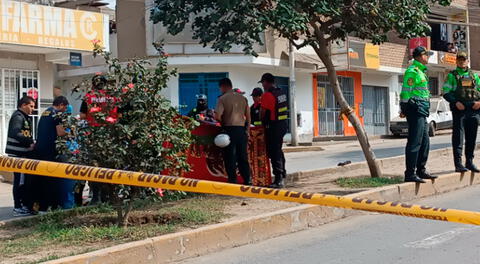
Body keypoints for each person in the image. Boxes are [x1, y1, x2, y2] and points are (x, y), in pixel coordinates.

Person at [400, 46, 437, 183]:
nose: (428, 57)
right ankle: (410, 173)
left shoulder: (421, 71)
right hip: (415, 110)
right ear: (420, 56)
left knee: (425, 142)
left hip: (422, 111)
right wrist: (405, 108)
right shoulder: (412, 71)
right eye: (426, 55)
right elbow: (405, 92)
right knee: (415, 142)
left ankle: (421, 170)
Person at [442, 52, 480, 173]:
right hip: (460, 110)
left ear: (467, 61)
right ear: (456, 61)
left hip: (474, 110)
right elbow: (446, 92)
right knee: (458, 138)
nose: (461, 62)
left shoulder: (474, 76)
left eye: (463, 60)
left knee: (471, 138)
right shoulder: (452, 76)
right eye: (459, 60)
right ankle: (458, 164)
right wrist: (455, 102)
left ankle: (469, 162)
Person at [34, 96, 69, 211]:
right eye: (65, 108)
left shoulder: (46, 111)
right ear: (61, 105)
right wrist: (71, 133)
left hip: (39, 149)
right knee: (50, 179)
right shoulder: (56, 114)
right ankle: (48, 206)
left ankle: (41, 206)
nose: (64, 111)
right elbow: (60, 132)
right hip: (49, 150)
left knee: (41, 179)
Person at [215, 78, 251, 185]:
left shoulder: (222, 99)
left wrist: (222, 123)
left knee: (230, 156)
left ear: (223, 86)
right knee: (242, 157)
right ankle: (247, 180)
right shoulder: (243, 98)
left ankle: (232, 180)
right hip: (241, 130)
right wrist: (247, 130)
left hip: (229, 130)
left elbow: (217, 116)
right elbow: (248, 117)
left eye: (220, 88)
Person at [6, 96, 35, 216]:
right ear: (23, 105)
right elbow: (15, 132)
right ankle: (18, 208)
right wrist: (30, 142)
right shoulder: (18, 117)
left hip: (22, 155)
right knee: (20, 182)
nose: (33, 109)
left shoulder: (24, 117)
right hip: (18, 155)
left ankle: (22, 205)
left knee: (22, 181)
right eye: (31, 106)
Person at [259, 73, 288, 188]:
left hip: (273, 126)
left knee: (274, 152)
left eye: (262, 83)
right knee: (278, 150)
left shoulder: (267, 95)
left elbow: (262, 113)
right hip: (282, 124)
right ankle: (282, 173)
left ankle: (278, 179)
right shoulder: (281, 92)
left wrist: (262, 121)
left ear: (266, 82)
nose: (262, 85)